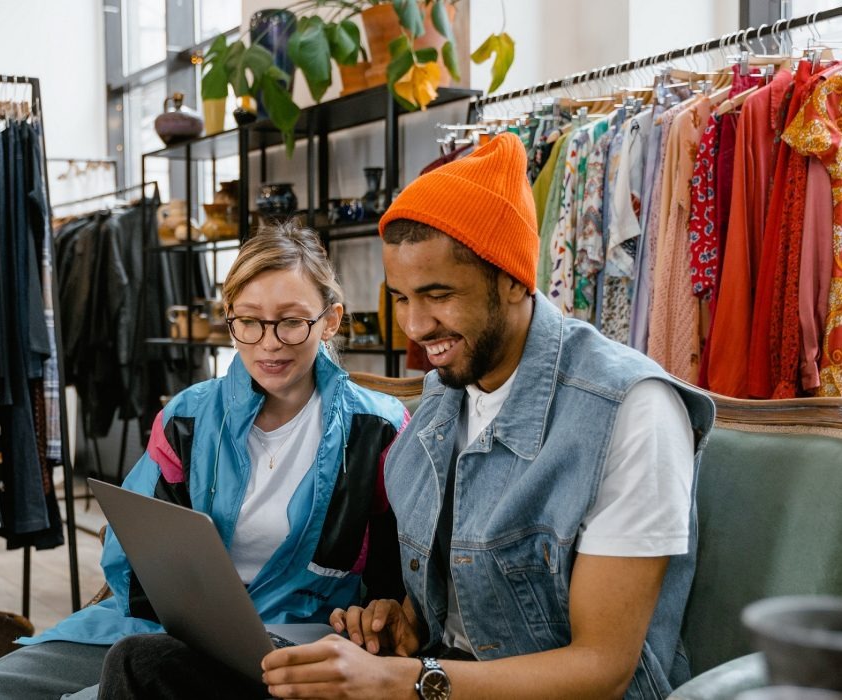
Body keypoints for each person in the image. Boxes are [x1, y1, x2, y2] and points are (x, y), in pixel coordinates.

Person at [96, 133, 716, 699]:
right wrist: (396, 623)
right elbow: (447, 609)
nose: (417, 328)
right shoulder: (443, 402)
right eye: (400, 299)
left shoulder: (629, 410)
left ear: (512, 281)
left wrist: (411, 679)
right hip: (430, 681)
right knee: (141, 666)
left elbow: (602, 670)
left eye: (439, 295)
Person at [0, 223, 409, 700]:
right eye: (248, 320)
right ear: (228, 317)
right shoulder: (188, 417)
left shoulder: (379, 430)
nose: (269, 343)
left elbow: (401, 574)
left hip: (293, 645)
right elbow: (134, 544)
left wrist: (379, 610)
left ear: (329, 321)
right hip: (164, 628)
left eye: (291, 321)